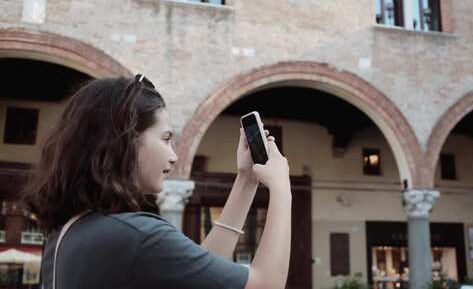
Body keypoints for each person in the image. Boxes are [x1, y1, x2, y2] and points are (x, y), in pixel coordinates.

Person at [21, 75, 292, 289]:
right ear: (126, 140)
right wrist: (281, 189)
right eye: (165, 139)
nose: (174, 156)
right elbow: (265, 284)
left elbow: (206, 276)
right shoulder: (136, 236)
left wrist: (246, 181)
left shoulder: (75, 230)